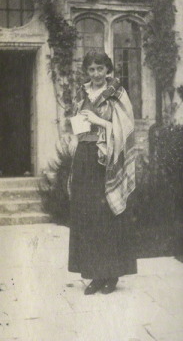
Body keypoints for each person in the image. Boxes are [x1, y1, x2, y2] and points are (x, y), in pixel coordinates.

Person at [68, 50, 136, 295]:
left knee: (106, 217)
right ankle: (95, 274)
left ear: (108, 70)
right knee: (88, 217)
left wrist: (97, 121)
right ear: (87, 72)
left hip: (107, 162)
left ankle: (112, 274)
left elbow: (126, 128)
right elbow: (78, 127)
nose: (96, 74)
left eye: (100, 69)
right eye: (91, 69)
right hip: (85, 158)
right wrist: (78, 124)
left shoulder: (117, 93)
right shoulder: (82, 93)